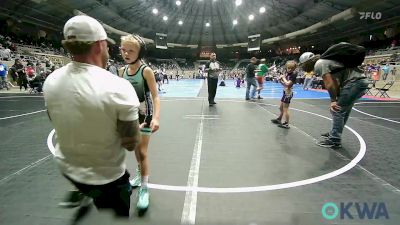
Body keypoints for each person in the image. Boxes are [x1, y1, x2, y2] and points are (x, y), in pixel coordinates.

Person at [43, 15, 141, 217]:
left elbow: (55, 119)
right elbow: (130, 143)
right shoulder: (119, 87)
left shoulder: (50, 81)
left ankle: (84, 193)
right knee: (120, 210)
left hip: (68, 169)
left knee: (87, 184)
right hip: (107, 177)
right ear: (100, 45)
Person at [119, 34, 160, 212]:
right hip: (131, 116)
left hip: (146, 116)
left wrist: (156, 117)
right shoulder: (121, 71)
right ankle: (138, 173)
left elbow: (156, 96)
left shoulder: (146, 71)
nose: (126, 53)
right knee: (135, 148)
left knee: (142, 152)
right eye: (123, 50)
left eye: (131, 50)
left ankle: (144, 188)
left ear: (140, 52)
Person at [299, 49, 368, 148]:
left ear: (306, 63)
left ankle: (334, 139)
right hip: (361, 82)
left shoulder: (319, 64)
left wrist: (333, 101)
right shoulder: (326, 61)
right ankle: (334, 132)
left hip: (354, 83)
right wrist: (338, 96)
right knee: (344, 110)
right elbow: (335, 80)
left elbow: (329, 84)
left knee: (337, 110)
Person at [271, 61, 297, 129]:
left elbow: (288, 84)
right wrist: (280, 81)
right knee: (280, 108)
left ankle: (286, 124)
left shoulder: (293, 75)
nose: (290, 69)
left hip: (288, 93)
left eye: (291, 68)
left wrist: (283, 78)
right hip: (285, 92)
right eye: (288, 68)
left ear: (294, 69)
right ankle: (279, 119)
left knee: (285, 109)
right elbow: (285, 84)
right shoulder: (288, 74)